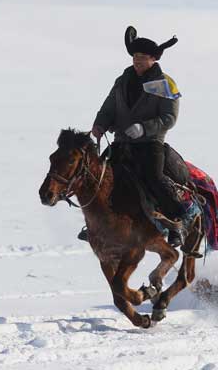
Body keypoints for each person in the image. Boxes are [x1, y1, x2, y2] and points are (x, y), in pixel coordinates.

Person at [80, 26, 187, 246]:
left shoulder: (165, 84)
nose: (137, 61)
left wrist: (144, 128)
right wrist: (100, 124)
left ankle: (177, 221)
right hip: (122, 142)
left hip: (150, 144)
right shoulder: (123, 80)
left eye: (143, 57)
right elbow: (109, 106)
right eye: (135, 56)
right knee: (100, 178)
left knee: (154, 177)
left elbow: (169, 118)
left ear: (153, 59)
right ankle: (95, 223)